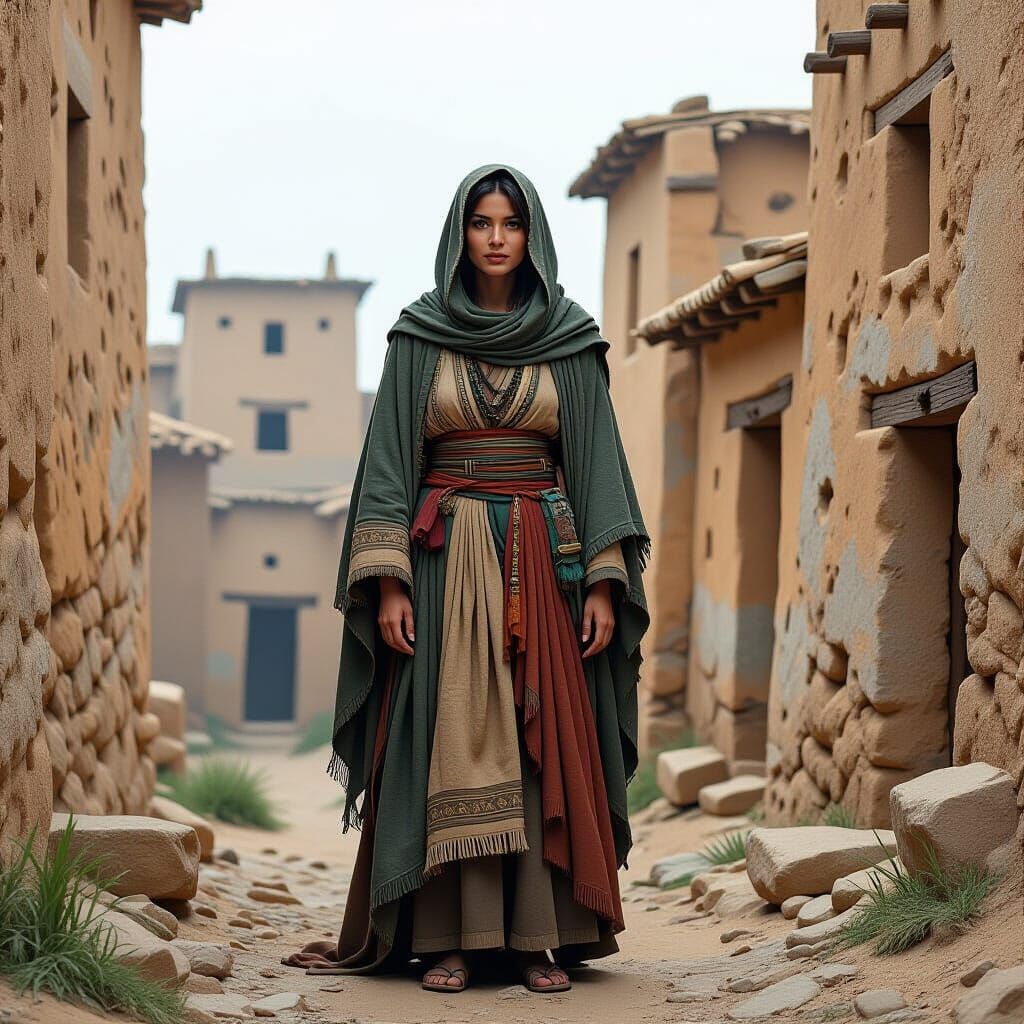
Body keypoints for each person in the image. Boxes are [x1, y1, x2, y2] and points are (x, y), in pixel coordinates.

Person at [282, 163, 650, 994]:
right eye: (481, 223)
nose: (494, 238)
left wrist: (601, 580)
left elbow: (596, 468)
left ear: (532, 237)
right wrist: (390, 584)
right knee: (445, 738)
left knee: (539, 741)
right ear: (460, 232)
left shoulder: (572, 338)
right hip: (442, 571)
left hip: (544, 571)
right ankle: (447, 938)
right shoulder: (417, 338)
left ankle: (535, 940)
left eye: (509, 225)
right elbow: (386, 469)